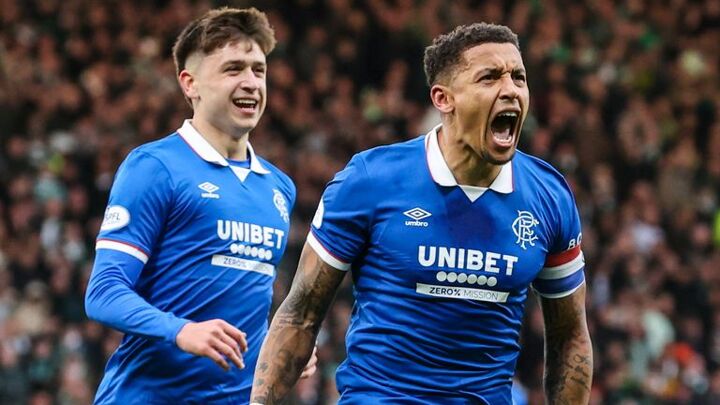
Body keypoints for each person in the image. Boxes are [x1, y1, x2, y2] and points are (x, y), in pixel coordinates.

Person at [250, 22, 592, 404]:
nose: (510, 89)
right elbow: (301, 314)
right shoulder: (371, 180)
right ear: (443, 99)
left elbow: (569, 337)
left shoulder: (549, 195)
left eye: (518, 77)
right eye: (489, 77)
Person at [84, 7, 315, 404]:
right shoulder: (155, 167)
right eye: (233, 69)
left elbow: (241, 302)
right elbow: (104, 293)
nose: (250, 82)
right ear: (190, 84)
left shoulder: (278, 187)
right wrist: (181, 330)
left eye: (258, 70)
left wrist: (277, 346)